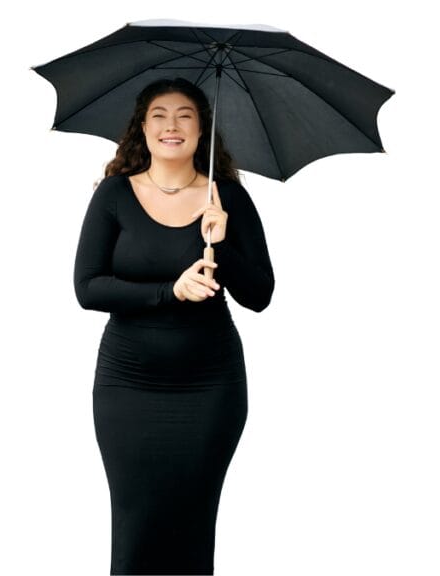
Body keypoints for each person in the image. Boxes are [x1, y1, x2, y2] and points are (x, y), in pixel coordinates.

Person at [73, 77, 274, 575]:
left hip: (210, 387)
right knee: (137, 525)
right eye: (159, 114)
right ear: (141, 128)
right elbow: (88, 288)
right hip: (129, 386)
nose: (172, 125)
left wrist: (221, 244)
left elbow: (261, 296)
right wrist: (170, 291)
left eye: (185, 115)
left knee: (191, 523)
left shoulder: (225, 200)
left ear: (202, 128)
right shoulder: (114, 196)